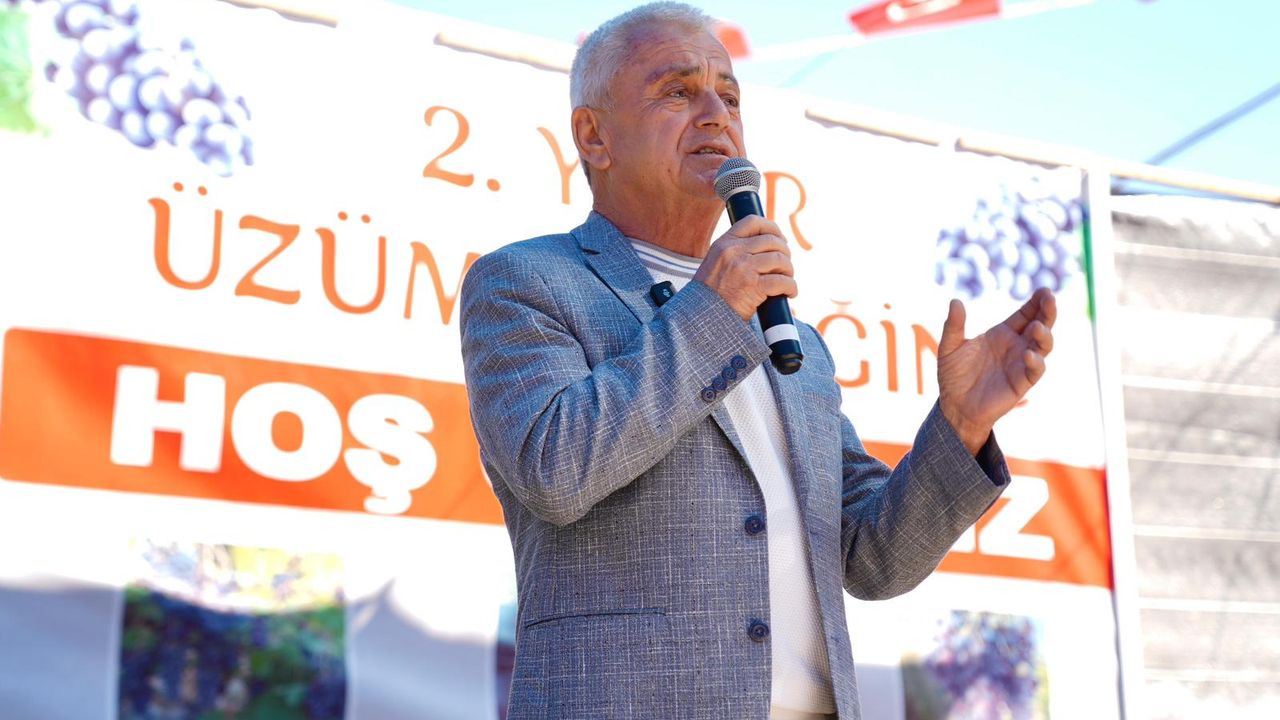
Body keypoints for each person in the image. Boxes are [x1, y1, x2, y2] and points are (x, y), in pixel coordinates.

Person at [458, 3, 1057, 718]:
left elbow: (873, 559)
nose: (716, 114)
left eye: (730, 96)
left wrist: (960, 427)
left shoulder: (792, 340)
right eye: (677, 91)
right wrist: (713, 309)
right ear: (594, 136)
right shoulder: (526, 282)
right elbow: (555, 471)